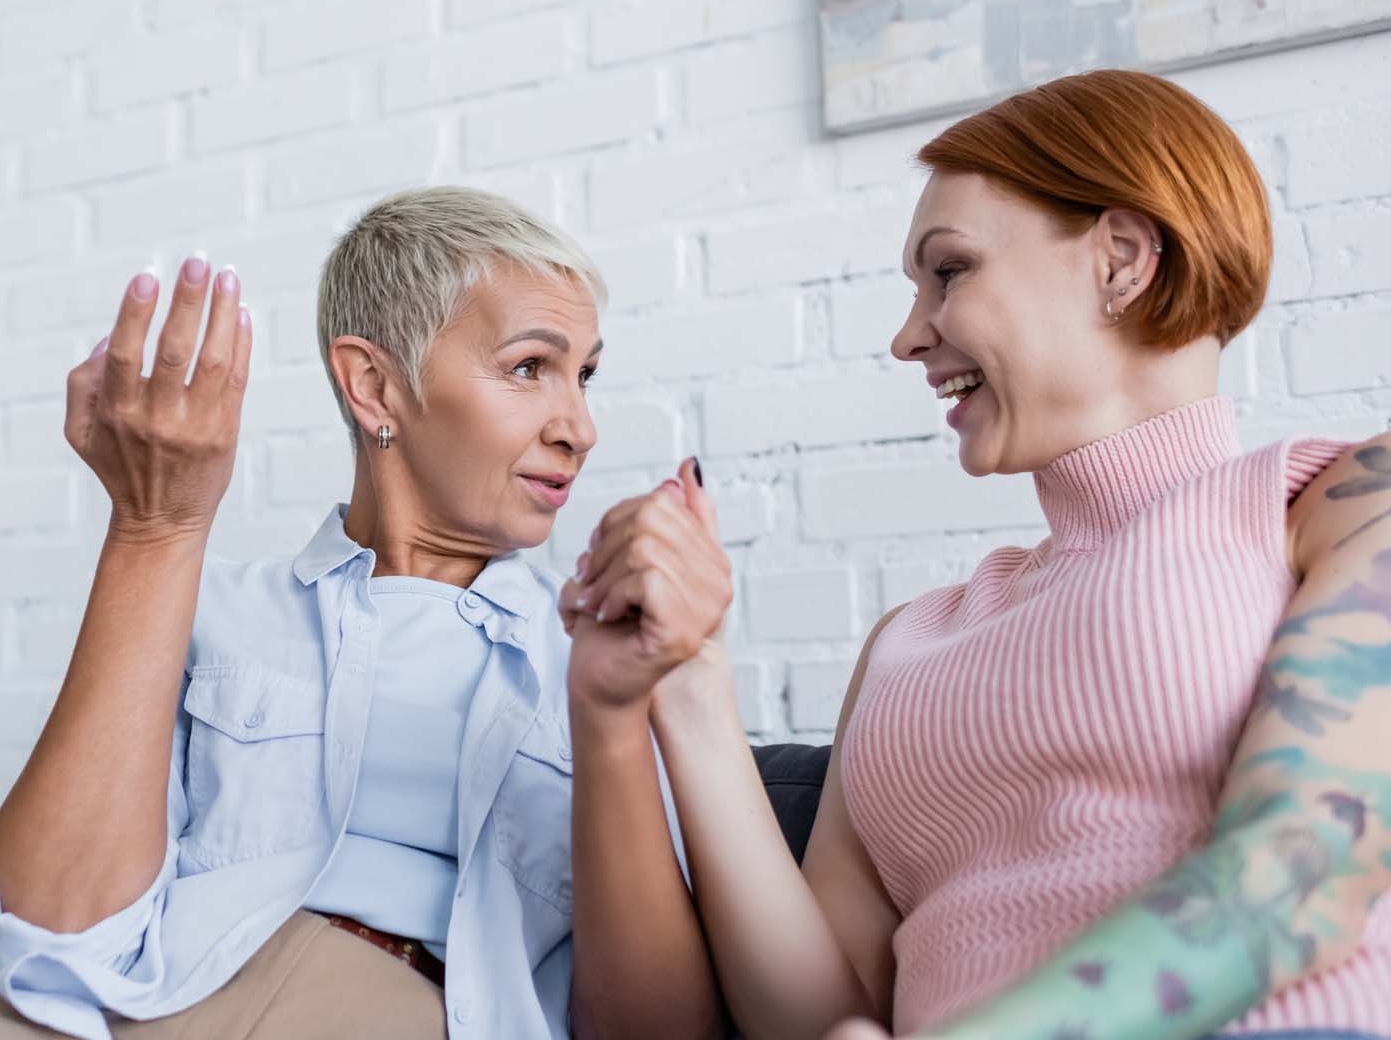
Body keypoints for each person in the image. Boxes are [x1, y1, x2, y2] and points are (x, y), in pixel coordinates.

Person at [567, 69, 1391, 1040]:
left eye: (949, 271)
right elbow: (828, 1015)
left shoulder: (1340, 502)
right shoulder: (908, 642)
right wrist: (691, 685)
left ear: (1120, 260)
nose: (908, 337)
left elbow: (1302, 870)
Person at [0, 185, 724, 1040]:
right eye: (531, 368)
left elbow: (662, 1028)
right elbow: (54, 925)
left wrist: (609, 715)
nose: (581, 426)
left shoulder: (607, 653)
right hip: (108, 1001)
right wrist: (155, 531)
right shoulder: (208, 606)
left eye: (587, 375)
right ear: (375, 387)